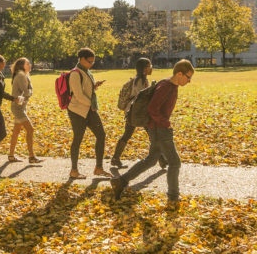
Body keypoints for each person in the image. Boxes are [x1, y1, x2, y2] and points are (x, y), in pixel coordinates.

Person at [111, 60, 195, 208]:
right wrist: (165, 123)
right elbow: (153, 109)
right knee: (174, 163)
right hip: (160, 129)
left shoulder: (170, 85)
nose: (189, 81)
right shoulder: (166, 86)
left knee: (151, 160)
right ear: (179, 74)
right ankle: (173, 198)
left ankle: (121, 181)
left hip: (156, 128)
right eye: (188, 77)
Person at [66, 48, 107, 179]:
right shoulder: (75, 73)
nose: (91, 64)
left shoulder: (87, 72)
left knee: (101, 135)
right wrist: (92, 104)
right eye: (89, 61)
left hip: (89, 109)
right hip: (77, 110)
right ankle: (74, 170)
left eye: (93, 62)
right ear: (82, 59)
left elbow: (86, 89)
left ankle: (99, 168)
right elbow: (78, 95)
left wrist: (94, 86)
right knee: (78, 138)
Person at [110, 57, 154, 168]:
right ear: (144, 68)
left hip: (135, 111)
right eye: (149, 66)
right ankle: (161, 158)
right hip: (137, 112)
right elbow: (140, 96)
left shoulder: (142, 79)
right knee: (151, 134)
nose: (151, 68)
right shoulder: (140, 80)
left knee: (134, 134)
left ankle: (115, 158)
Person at [7, 57, 41, 164]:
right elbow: (27, 92)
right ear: (22, 66)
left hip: (20, 107)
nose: (30, 65)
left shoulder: (23, 75)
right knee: (30, 130)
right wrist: (31, 91)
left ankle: (11, 155)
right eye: (27, 64)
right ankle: (31, 157)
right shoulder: (21, 75)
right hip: (18, 108)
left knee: (16, 131)